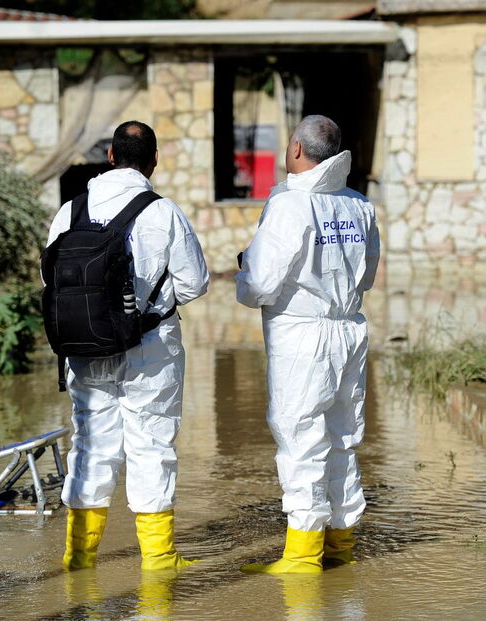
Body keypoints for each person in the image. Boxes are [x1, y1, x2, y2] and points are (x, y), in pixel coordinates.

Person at [45, 121, 209, 571]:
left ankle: (78, 559)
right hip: (150, 348)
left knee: (91, 443)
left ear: (111, 156)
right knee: (151, 444)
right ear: (153, 161)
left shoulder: (69, 211)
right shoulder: (163, 212)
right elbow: (194, 285)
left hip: (84, 349)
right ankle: (159, 561)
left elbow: (49, 278)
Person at [235, 115, 380, 573]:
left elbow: (258, 285)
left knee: (300, 438)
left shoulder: (289, 204)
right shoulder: (360, 206)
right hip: (349, 330)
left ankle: (302, 555)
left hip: (301, 336)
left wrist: (243, 272)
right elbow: (369, 276)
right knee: (341, 436)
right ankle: (341, 544)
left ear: (297, 149)